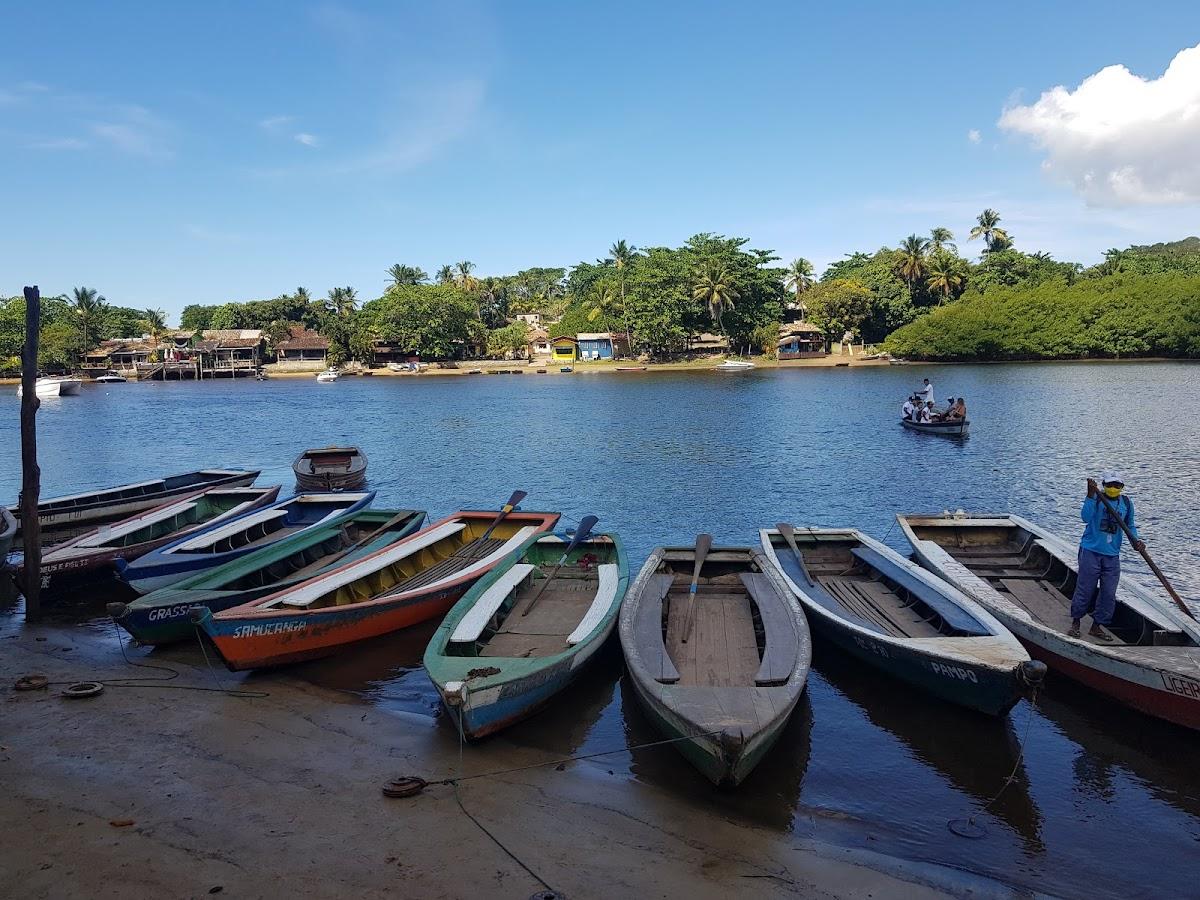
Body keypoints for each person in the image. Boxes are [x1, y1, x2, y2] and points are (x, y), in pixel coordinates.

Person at [1068, 472, 1144, 640]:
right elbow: (1085, 517)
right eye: (1110, 485)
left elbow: (1130, 525)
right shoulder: (1096, 498)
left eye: (1117, 485)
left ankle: (1097, 626)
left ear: (1122, 487)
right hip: (1091, 552)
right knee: (1085, 589)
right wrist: (1090, 495)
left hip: (1112, 555)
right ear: (1103, 485)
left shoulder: (1126, 503)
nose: (1113, 488)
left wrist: (1136, 540)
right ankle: (1076, 622)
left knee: (1109, 593)